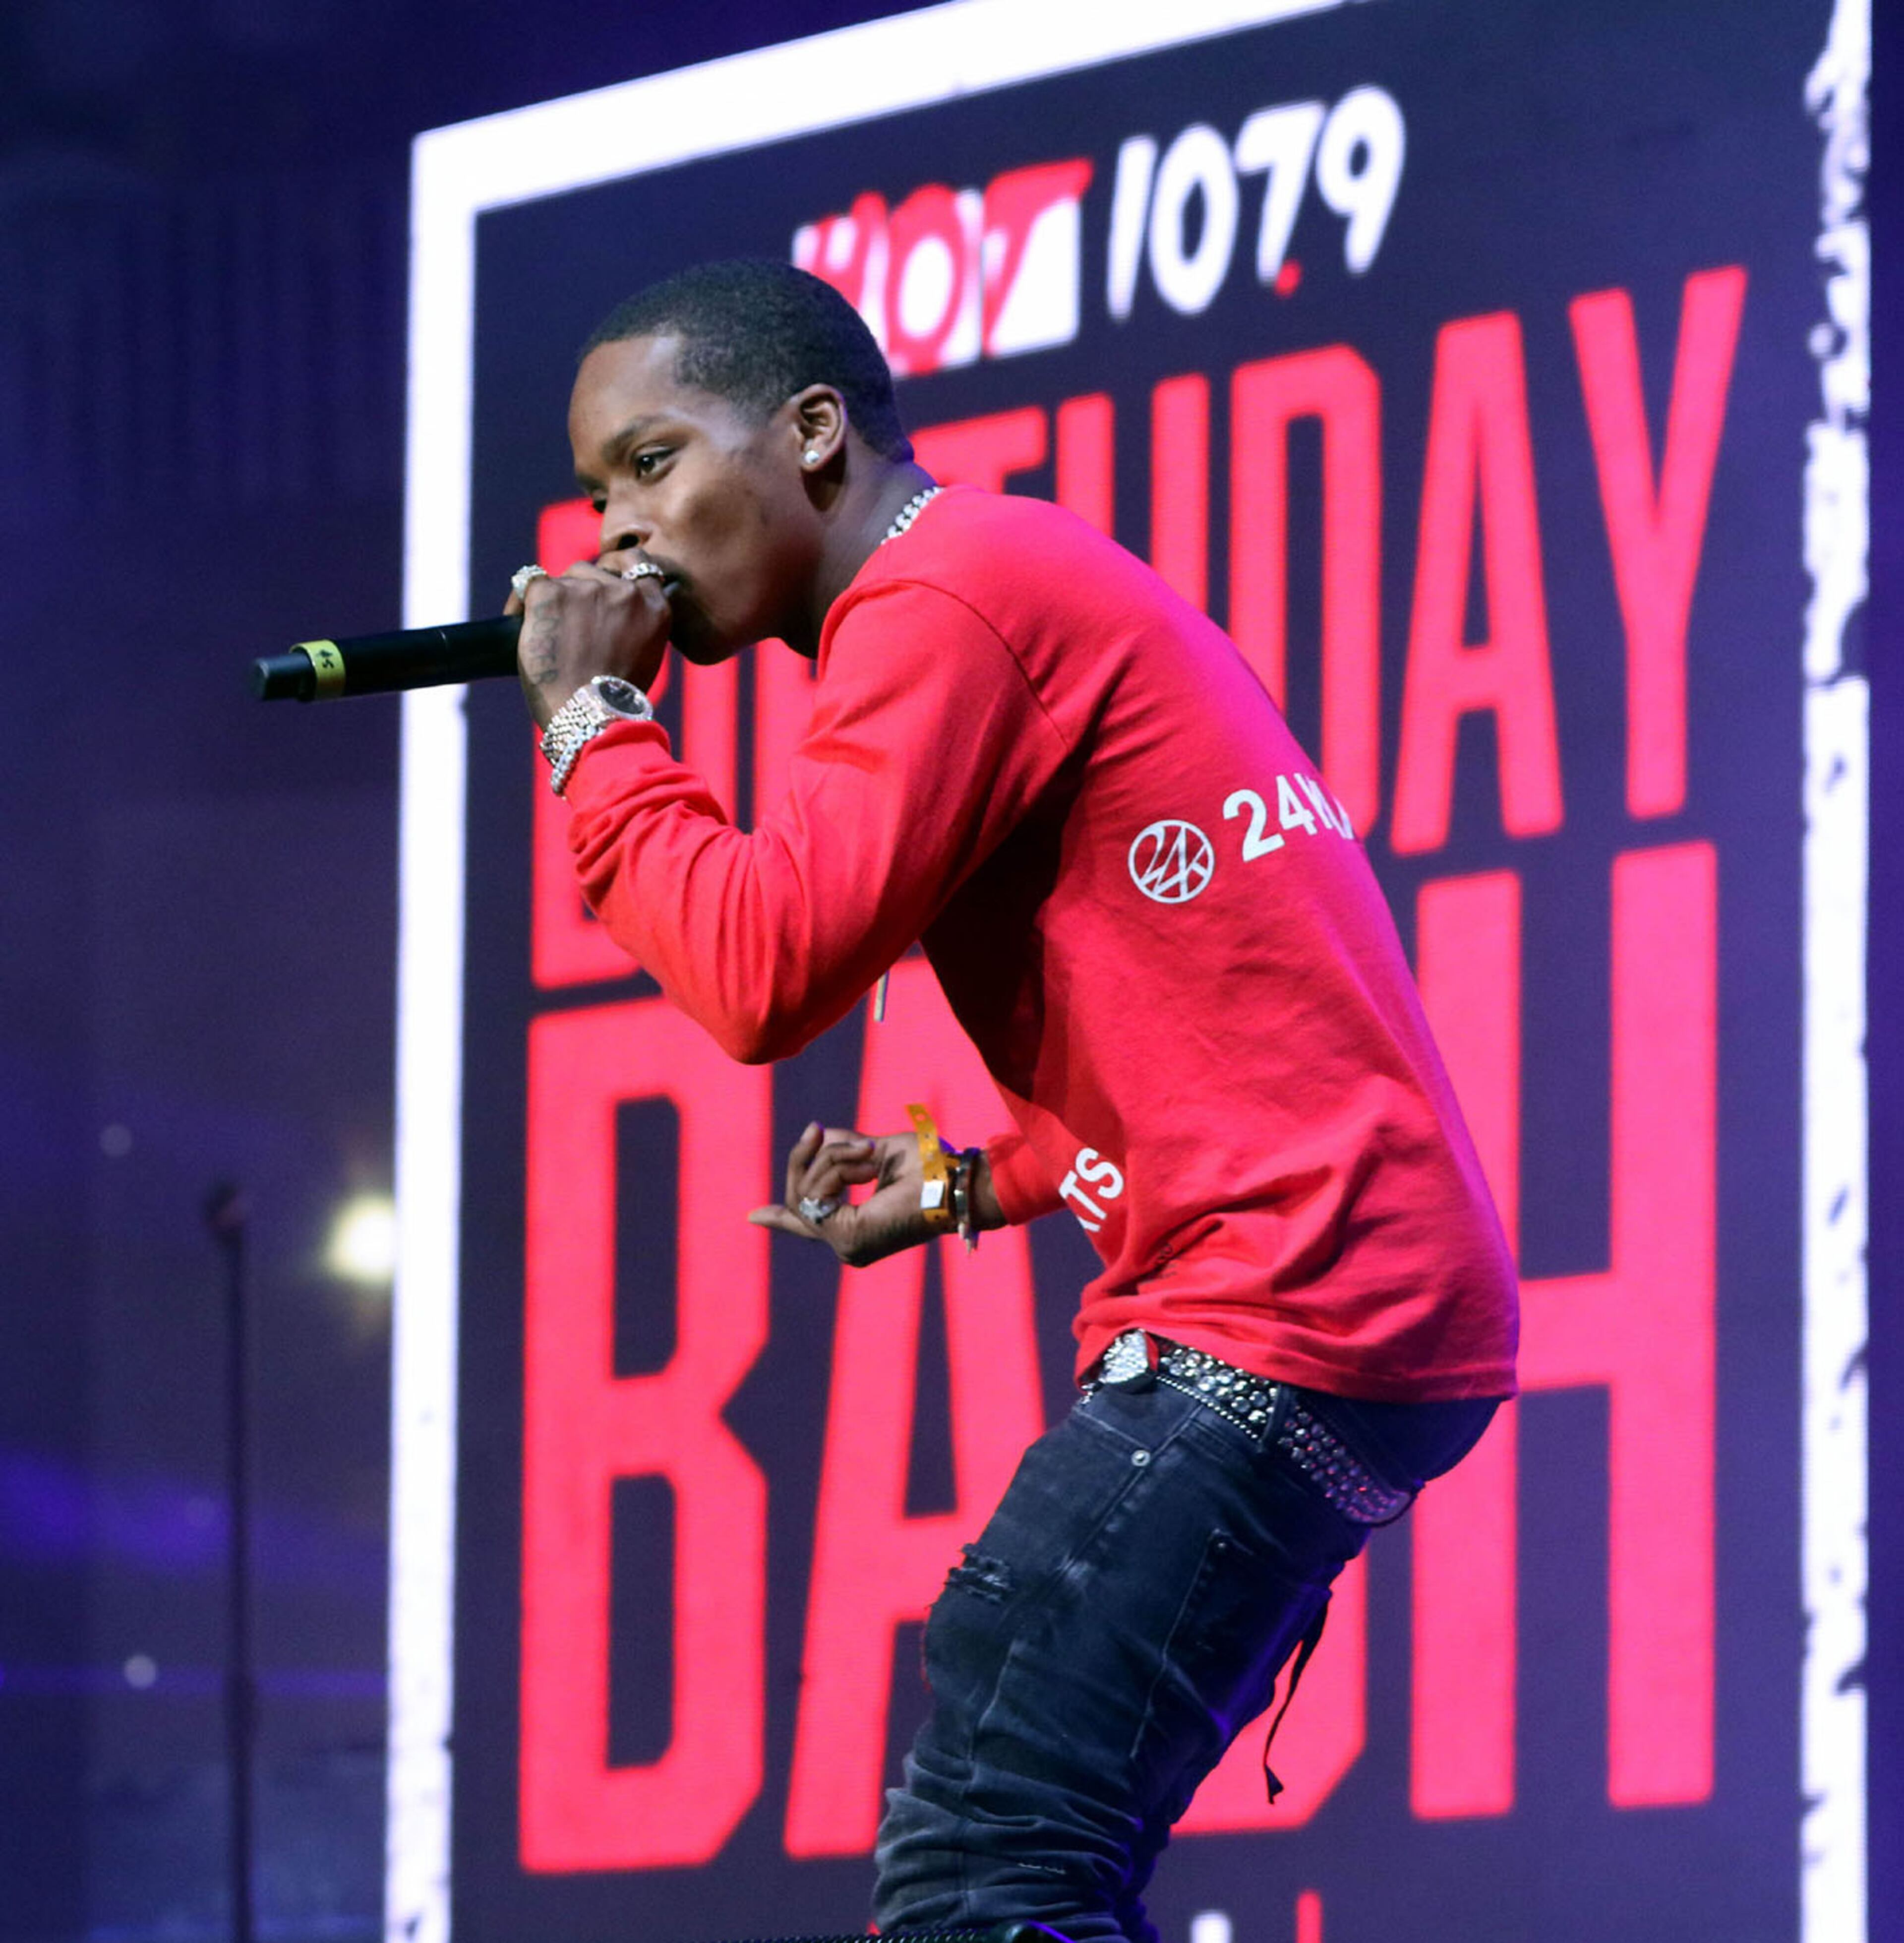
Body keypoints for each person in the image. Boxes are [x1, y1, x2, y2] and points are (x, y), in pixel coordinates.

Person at [508, 259, 1517, 1943]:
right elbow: (1224, 1008)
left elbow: (760, 971)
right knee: (1024, 1844)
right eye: (601, 489)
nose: (619, 531)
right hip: (1341, 1282)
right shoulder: (1003, 577)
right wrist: (971, 1182)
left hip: (1287, 1295)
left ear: (813, 431)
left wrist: (594, 724)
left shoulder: (944, 600)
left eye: (655, 463)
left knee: (993, 1864)